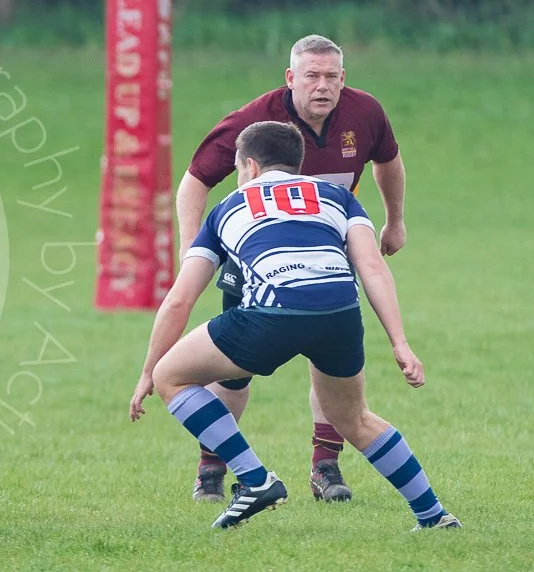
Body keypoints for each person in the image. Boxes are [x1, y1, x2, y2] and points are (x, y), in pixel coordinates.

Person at [129, 120, 459, 531]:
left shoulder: (228, 206)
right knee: (354, 418)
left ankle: (255, 481)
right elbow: (372, 267)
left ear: (249, 165)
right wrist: (400, 342)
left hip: (273, 312)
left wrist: (148, 371)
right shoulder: (338, 196)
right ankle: (433, 516)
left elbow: (181, 298)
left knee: (171, 376)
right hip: (340, 313)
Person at [175, 34, 407, 503]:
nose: (322, 86)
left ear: (343, 78)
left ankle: (326, 469)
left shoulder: (365, 113)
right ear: (290, 78)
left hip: (326, 255)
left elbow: (388, 162)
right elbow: (195, 181)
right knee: (232, 372)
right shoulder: (255, 121)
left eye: (331, 77)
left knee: (329, 363)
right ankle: (211, 469)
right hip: (255, 260)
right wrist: (191, 252)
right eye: (311, 76)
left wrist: (395, 221)